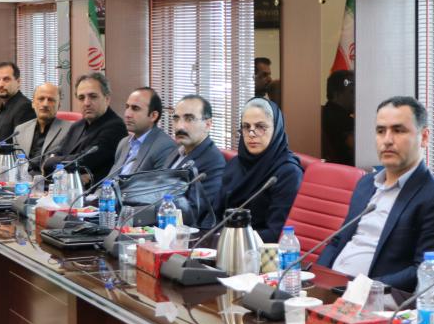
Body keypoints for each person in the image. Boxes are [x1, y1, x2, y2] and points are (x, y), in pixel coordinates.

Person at [318, 96, 434, 290]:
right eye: (381, 131)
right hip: (333, 289)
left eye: (398, 130)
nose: (387, 140)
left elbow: (423, 269)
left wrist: (364, 289)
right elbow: (337, 241)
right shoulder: (366, 184)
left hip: (375, 297)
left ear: (424, 137)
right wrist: (317, 278)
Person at [218, 98, 303, 243]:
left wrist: (235, 240)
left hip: (261, 250)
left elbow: (277, 232)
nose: (251, 134)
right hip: (224, 244)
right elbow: (216, 215)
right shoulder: (235, 165)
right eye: (246, 127)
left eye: (260, 127)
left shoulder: (288, 173)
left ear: (276, 129)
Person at [43, 72, 127, 187]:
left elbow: (84, 161)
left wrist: (52, 162)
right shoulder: (77, 125)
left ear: (107, 99)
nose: (86, 103)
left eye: (93, 96)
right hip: (65, 187)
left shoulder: (115, 127)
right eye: (81, 98)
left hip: (95, 192)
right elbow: (56, 153)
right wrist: (54, 162)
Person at [164, 95, 226, 228]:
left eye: (189, 119)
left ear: (208, 124)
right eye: (176, 119)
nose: (180, 126)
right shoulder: (176, 151)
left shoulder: (213, 161)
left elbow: (192, 212)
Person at [107, 87, 176, 178]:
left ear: (153, 116)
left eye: (135, 108)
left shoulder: (164, 146)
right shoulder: (124, 143)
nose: (127, 114)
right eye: (127, 107)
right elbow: (108, 180)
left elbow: (157, 185)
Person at [14, 82, 69, 172]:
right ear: (33, 103)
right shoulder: (20, 131)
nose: (45, 104)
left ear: (59, 105)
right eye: (41, 99)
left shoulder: (70, 130)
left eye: (51, 100)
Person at [0, 61, 34, 145]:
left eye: (6, 79)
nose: (0, 84)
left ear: (18, 82)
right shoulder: (4, 105)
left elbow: (21, 146)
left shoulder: (24, 107)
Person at [320, 70, 354, 165]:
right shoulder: (342, 120)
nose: (357, 96)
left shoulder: (326, 112)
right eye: (352, 92)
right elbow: (361, 151)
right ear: (337, 94)